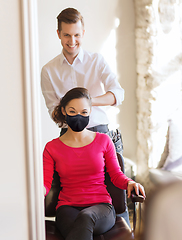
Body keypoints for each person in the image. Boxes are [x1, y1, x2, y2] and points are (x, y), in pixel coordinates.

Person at [41, 7, 131, 225]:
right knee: (71, 205)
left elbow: (118, 94)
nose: (72, 41)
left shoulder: (96, 61)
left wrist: (87, 103)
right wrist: (72, 118)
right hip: (68, 139)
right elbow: (55, 112)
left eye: (77, 35)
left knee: (118, 206)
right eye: (67, 35)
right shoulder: (48, 71)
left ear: (83, 33)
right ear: (58, 34)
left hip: (102, 136)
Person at [43, 87, 146, 240]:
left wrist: (130, 183)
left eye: (84, 112)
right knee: (81, 225)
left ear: (90, 112)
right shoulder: (52, 148)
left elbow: (116, 175)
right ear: (63, 111)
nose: (79, 116)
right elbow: (45, 183)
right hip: (67, 208)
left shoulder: (104, 141)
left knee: (86, 217)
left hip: (101, 207)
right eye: (72, 111)